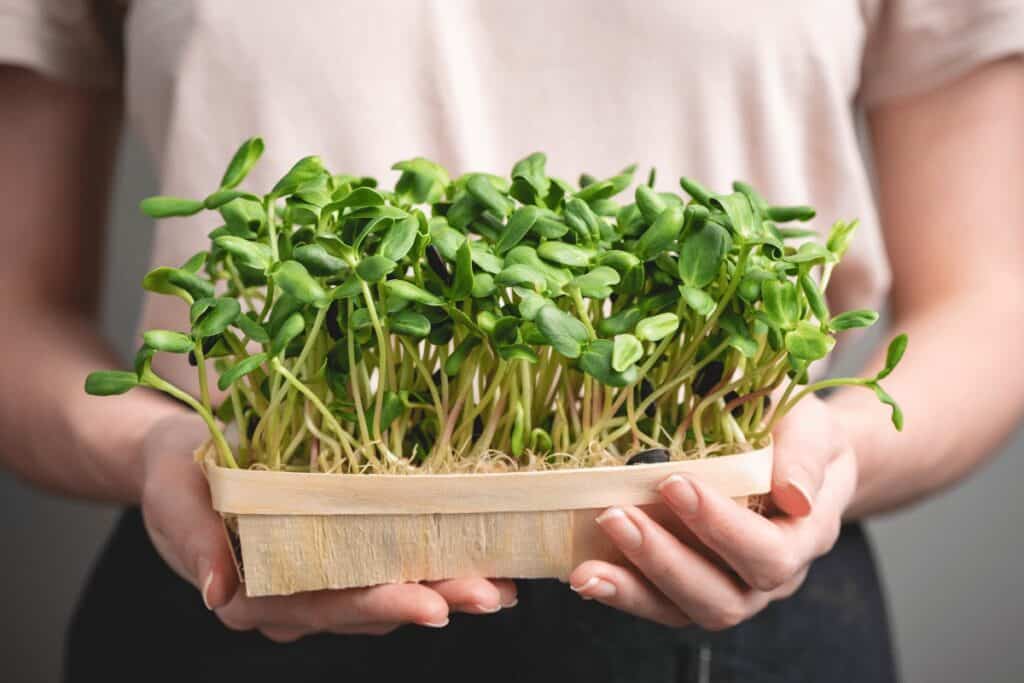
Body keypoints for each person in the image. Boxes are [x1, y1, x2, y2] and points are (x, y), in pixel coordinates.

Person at [1, 1, 1022, 681]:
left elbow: (991, 298)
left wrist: (831, 460)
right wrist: (152, 446)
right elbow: (16, 308)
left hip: (742, 597)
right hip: (232, 560)